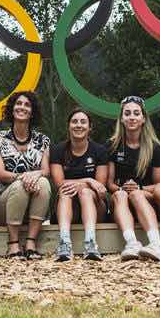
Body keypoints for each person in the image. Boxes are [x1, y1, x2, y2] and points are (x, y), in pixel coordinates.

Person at [0, 91, 52, 260]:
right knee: (20, 186)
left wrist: (36, 174)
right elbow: (0, 173)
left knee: (44, 182)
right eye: (18, 103)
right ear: (12, 108)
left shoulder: (43, 140)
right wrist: (24, 177)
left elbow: (46, 170)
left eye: (27, 104)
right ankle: (13, 244)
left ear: (32, 112)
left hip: (33, 206)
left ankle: (31, 243)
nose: (22, 107)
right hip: (3, 205)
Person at [106, 96, 160, 262]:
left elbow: (159, 185)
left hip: (146, 198)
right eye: (127, 114)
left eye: (136, 113)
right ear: (121, 119)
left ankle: (156, 245)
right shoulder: (112, 145)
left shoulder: (155, 148)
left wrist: (138, 189)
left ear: (143, 119)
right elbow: (109, 183)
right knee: (121, 195)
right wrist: (122, 189)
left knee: (137, 195)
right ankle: (132, 243)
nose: (132, 117)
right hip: (121, 200)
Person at [49, 108, 108, 262]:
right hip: (67, 208)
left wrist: (84, 186)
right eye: (74, 121)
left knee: (86, 193)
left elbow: (100, 188)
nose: (78, 125)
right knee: (65, 191)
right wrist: (88, 180)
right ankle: (64, 243)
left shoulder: (100, 151)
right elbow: (59, 183)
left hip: (95, 208)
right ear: (69, 126)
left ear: (90, 127)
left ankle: (90, 243)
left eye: (83, 122)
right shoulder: (57, 150)